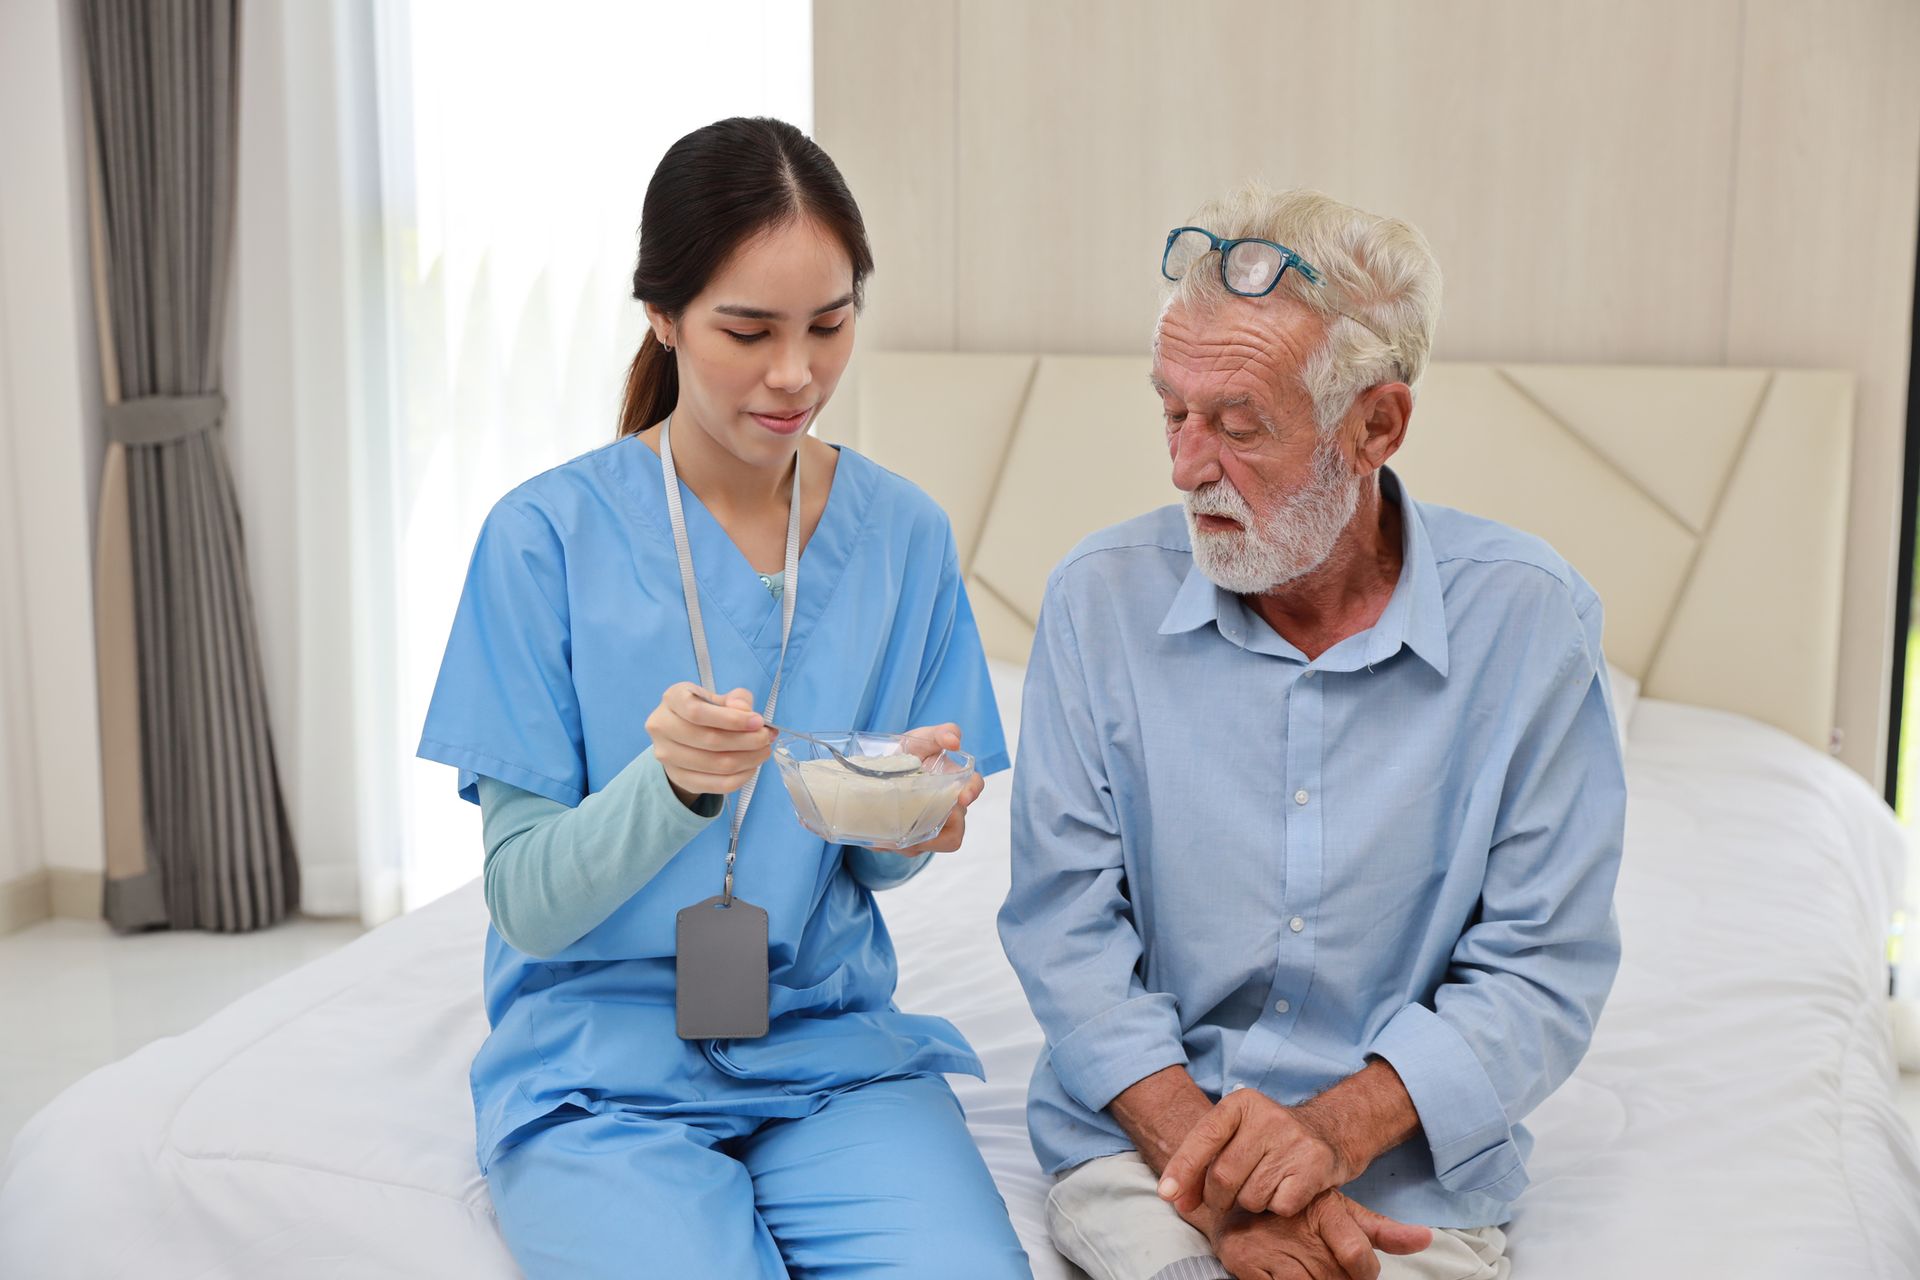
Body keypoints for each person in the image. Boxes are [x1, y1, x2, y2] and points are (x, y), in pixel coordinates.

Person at [420, 116, 1031, 1279]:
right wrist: (671, 788)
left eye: (831, 324)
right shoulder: (542, 539)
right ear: (663, 314)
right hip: (599, 1073)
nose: (795, 372)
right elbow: (528, 904)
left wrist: (906, 819)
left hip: (831, 1053)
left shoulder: (901, 536)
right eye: (747, 330)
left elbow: (881, 870)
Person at [998, 186, 1627, 1280]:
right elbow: (1067, 932)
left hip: (1402, 1168)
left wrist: (1328, 1136)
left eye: (1239, 425)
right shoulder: (1096, 601)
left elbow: (1540, 969)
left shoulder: (1532, 622)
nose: (1189, 465)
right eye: (1172, 412)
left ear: (1376, 424)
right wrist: (1222, 1179)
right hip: (1145, 1145)